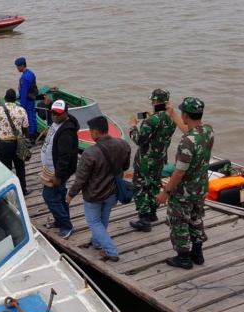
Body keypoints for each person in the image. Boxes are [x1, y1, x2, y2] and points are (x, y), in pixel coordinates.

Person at [156, 97, 214, 270]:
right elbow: (189, 132)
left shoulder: (186, 142)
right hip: (201, 188)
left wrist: (166, 192)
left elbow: (179, 171)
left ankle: (183, 258)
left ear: (186, 115)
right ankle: (197, 253)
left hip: (184, 192)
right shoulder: (207, 131)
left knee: (179, 222)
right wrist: (172, 114)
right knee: (196, 219)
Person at [66, 116, 131, 262]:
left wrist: (70, 195)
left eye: (90, 131)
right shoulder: (124, 144)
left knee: (94, 222)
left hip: (94, 194)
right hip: (113, 191)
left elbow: (81, 179)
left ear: (95, 133)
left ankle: (111, 251)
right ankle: (97, 242)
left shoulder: (89, 153)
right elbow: (125, 167)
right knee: (103, 219)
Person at [128, 89, 176, 232]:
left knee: (141, 187)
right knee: (154, 185)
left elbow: (139, 140)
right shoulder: (171, 119)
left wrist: (133, 126)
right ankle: (152, 213)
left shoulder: (151, 121)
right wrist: (152, 117)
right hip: (160, 159)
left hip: (145, 161)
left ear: (155, 101)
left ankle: (144, 220)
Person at [39, 100, 79, 239]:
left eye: (58, 113)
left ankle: (66, 225)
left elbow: (64, 157)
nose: (55, 116)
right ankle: (61, 220)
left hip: (57, 171)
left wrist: (59, 176)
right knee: (60, 195)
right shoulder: (56, 123)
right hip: (51, 168)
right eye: (53, 113)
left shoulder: (67, 132)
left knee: (49, 197)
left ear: (66, 114)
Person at [15, 57, 38, 144]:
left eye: (17, 66)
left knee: (29, 119)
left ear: (21, 66)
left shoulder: (24, 78)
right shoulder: (31, 73)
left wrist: (22, 107)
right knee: (33, 116)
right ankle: (35, 133)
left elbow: (24, 93)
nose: (17, 68)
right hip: (32, 99)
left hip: (27, 101)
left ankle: (31, 137)